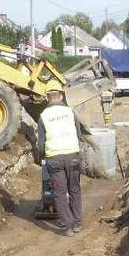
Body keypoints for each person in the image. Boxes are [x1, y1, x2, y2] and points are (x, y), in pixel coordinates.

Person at [36, 89, 82, 236]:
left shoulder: (43, 116)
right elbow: (78, 134)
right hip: (72, 156)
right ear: (61, 96)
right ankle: (77, 224)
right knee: (74, 189)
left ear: (47, 97)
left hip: (54, 159)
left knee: (60, 193)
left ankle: (67, 227)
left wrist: (41, 157)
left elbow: (41, 143)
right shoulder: (71, 112)